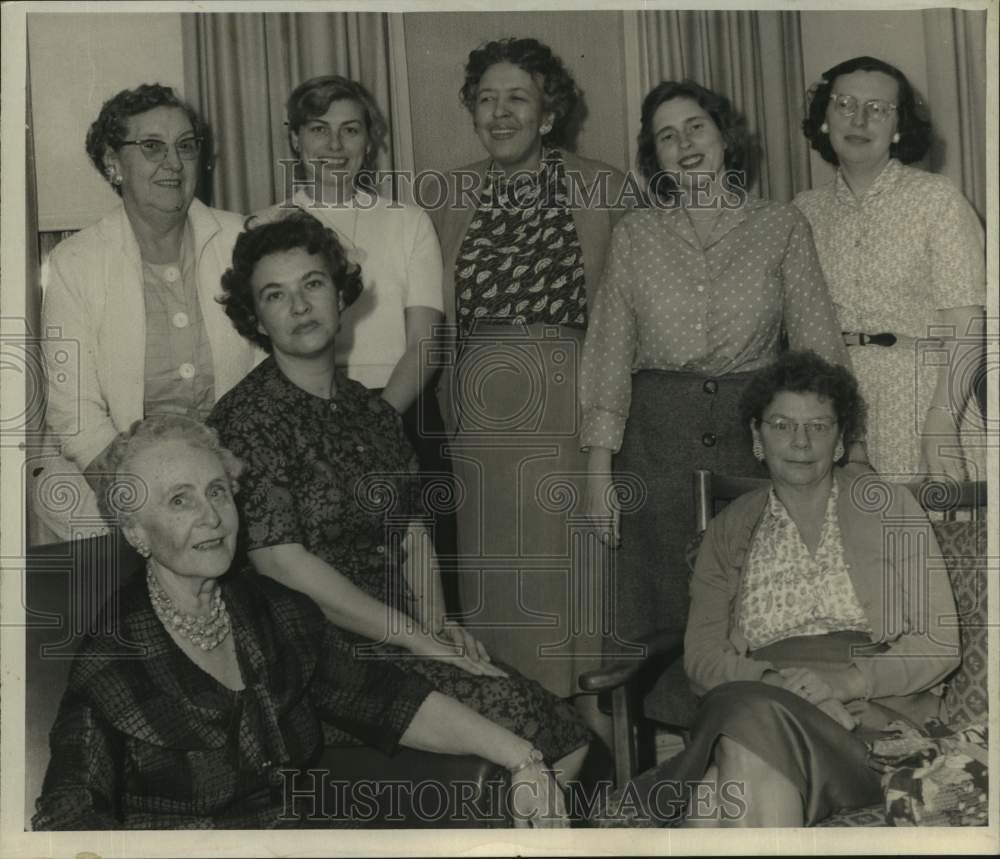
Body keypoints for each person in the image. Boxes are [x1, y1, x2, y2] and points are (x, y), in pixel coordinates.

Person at [32, 415, 570, 829]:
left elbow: (387, 698)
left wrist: (523, 759)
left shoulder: (270, 609)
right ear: (136, 533)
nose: (212, 517)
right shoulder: (112, 664)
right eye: (180, 500)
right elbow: (70, 813)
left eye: (217, 490)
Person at [207, 214, 593, 786]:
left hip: (400, 640)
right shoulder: (246, 418)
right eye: (274, 294)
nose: (299, 306)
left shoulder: (373, 413)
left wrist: (440, 626)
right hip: (316, 663)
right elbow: (284, 566)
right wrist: (420, 638)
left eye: (312, 284)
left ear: (341, 295)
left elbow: (411, 533)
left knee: (570, 734)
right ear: (255, 317)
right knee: (530, 741)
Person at [600, 351, 960, 828]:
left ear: (839, 440)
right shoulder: (728, 530)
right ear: (757, 435)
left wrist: (846, 682)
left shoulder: (889, 509)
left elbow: (939, 644)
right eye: (782, 425)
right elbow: (703, 659)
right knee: (749, 724)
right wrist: (772, 684)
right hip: (759, 701)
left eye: (818, 426)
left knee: (717, 793)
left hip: (868, 726)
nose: (800, 441)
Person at [579, 81, 851, 690]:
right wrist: (599, 471)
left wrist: (833, 452)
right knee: (657, 600)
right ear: (656, 157)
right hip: (654, 441)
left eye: (696, 127)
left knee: (752, 593)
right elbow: (608, 351)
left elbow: (819, 354)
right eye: (667, 136)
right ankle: (672, 758)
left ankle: (752, 732)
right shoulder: (634, 234)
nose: (685, 144)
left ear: (725, 136)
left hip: (749, 436)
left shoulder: (781, 224)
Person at [429, 37, 630, 730]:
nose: (499, 111)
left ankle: (594, 740)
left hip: (571, 410)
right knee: (498, 589)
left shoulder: (603, 186)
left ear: (548, 113)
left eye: (517, 97)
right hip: (481, 423)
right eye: (486, 98)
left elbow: (633, 309)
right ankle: (520, 734)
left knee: (572, 594)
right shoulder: (447, 195)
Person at [252, 74, 458, 610]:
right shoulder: (265, 226)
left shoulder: (407, 221)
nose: (335, 146)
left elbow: (426, 344)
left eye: (350, 130)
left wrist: (375, 422)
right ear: (294, 139)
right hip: (299, 426)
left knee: (420, 592)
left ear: (370, 140)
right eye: (319, 130)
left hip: (399, 415)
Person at [38, 83, 256, 543]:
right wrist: (145, 506)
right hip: (116, 488)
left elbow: (265, 375)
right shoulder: (74, 263)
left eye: (185, 146)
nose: (173, 163)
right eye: (152, 147)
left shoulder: (242, 242)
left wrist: (225, 491)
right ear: (113, 163)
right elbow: (75, 415)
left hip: (232, 480)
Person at [795, 56, 986, 481]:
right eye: (844, 104)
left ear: (898, 126)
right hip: (831, 412)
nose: (859, 119)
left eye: (878, 108)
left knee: (924, 542)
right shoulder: (801, 212)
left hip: (925, 406)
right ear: (824, 117)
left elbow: (967, 326)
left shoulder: (937, 200)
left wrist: (941, 423)